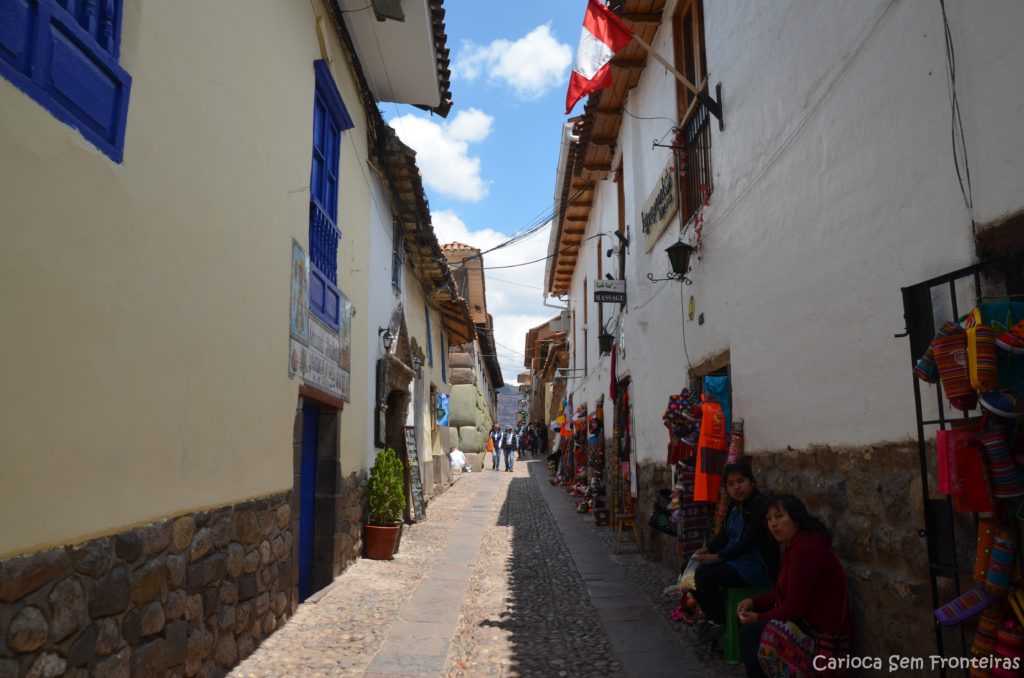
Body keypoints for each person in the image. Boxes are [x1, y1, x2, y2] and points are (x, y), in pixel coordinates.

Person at [737, 495, 851, 678]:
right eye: (769, 519)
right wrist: (753, 601)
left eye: (779, 516)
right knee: (751, 629)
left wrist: (758, 617)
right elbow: (785, 592)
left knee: (751, 632)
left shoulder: (806, 550)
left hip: (821, 639)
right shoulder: (794, 548)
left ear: (796, 520)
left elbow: (795, 606)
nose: (773, 524)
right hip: (807, 626)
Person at [692, 462, 778, 644]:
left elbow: (747, 542)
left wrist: (717, 557)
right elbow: (724, 536)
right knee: (689, 568)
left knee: (705, 575)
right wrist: (707, 549)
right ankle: (712, 615)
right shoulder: (732, 507)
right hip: (733, 561)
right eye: (731, 484)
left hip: (753, 567)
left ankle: (721, 621)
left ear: (752, 482)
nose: (736, 487)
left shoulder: (759, 507)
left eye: (741, 481)